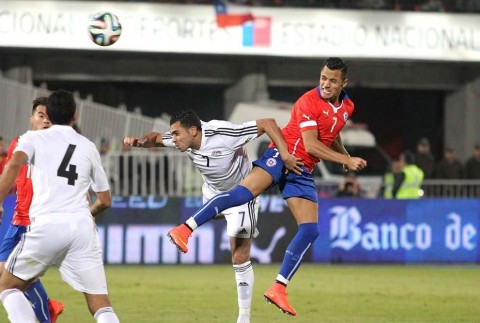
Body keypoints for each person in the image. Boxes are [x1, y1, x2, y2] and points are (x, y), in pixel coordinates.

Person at [167, 57, 367, 316]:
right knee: (241, 194)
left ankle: (279, 289)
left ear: (344, 83)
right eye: (323, 78)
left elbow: (333, 130)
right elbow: (310, 144)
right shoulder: (309, 101)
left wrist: (344, 153)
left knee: (310, 231)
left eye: (332, 81)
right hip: (282, 157)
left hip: (302, 170)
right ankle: (185, 229)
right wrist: (345, 159)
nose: (326, 84)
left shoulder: (347, 106)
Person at [123, 110, 301, 323]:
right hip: (212, 194)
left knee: (239, 256)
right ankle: (192, 226)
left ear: (193, 130)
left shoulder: (223, 134)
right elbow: (157, 138)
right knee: (225, 225)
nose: (174, 139)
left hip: (242, 193)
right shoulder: (183, 139)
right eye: (173, 134)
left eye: (177, 134)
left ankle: (244, 317)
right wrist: (139, 141)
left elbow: (268, 123)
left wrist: (284, 155)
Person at [0, 90, 120, 323]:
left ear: (49, 116)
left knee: (7, 284)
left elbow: (14, 163)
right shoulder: (88, 146)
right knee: (100, 304)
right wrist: (87, 213)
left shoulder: (32, 139)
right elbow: (105, 200)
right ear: (74, 115)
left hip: (46, 224)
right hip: (83, 229)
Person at [0, 97, 65, 323]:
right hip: (18, 220)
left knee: (13, 276)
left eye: (50, 117)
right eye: (41, 115)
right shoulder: (18, 144)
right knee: (6, 271)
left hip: (39, 222)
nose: (46, 121)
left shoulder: (60, 150)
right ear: (32, 118)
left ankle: (45, 314)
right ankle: (48, 307)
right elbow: (9, 175)